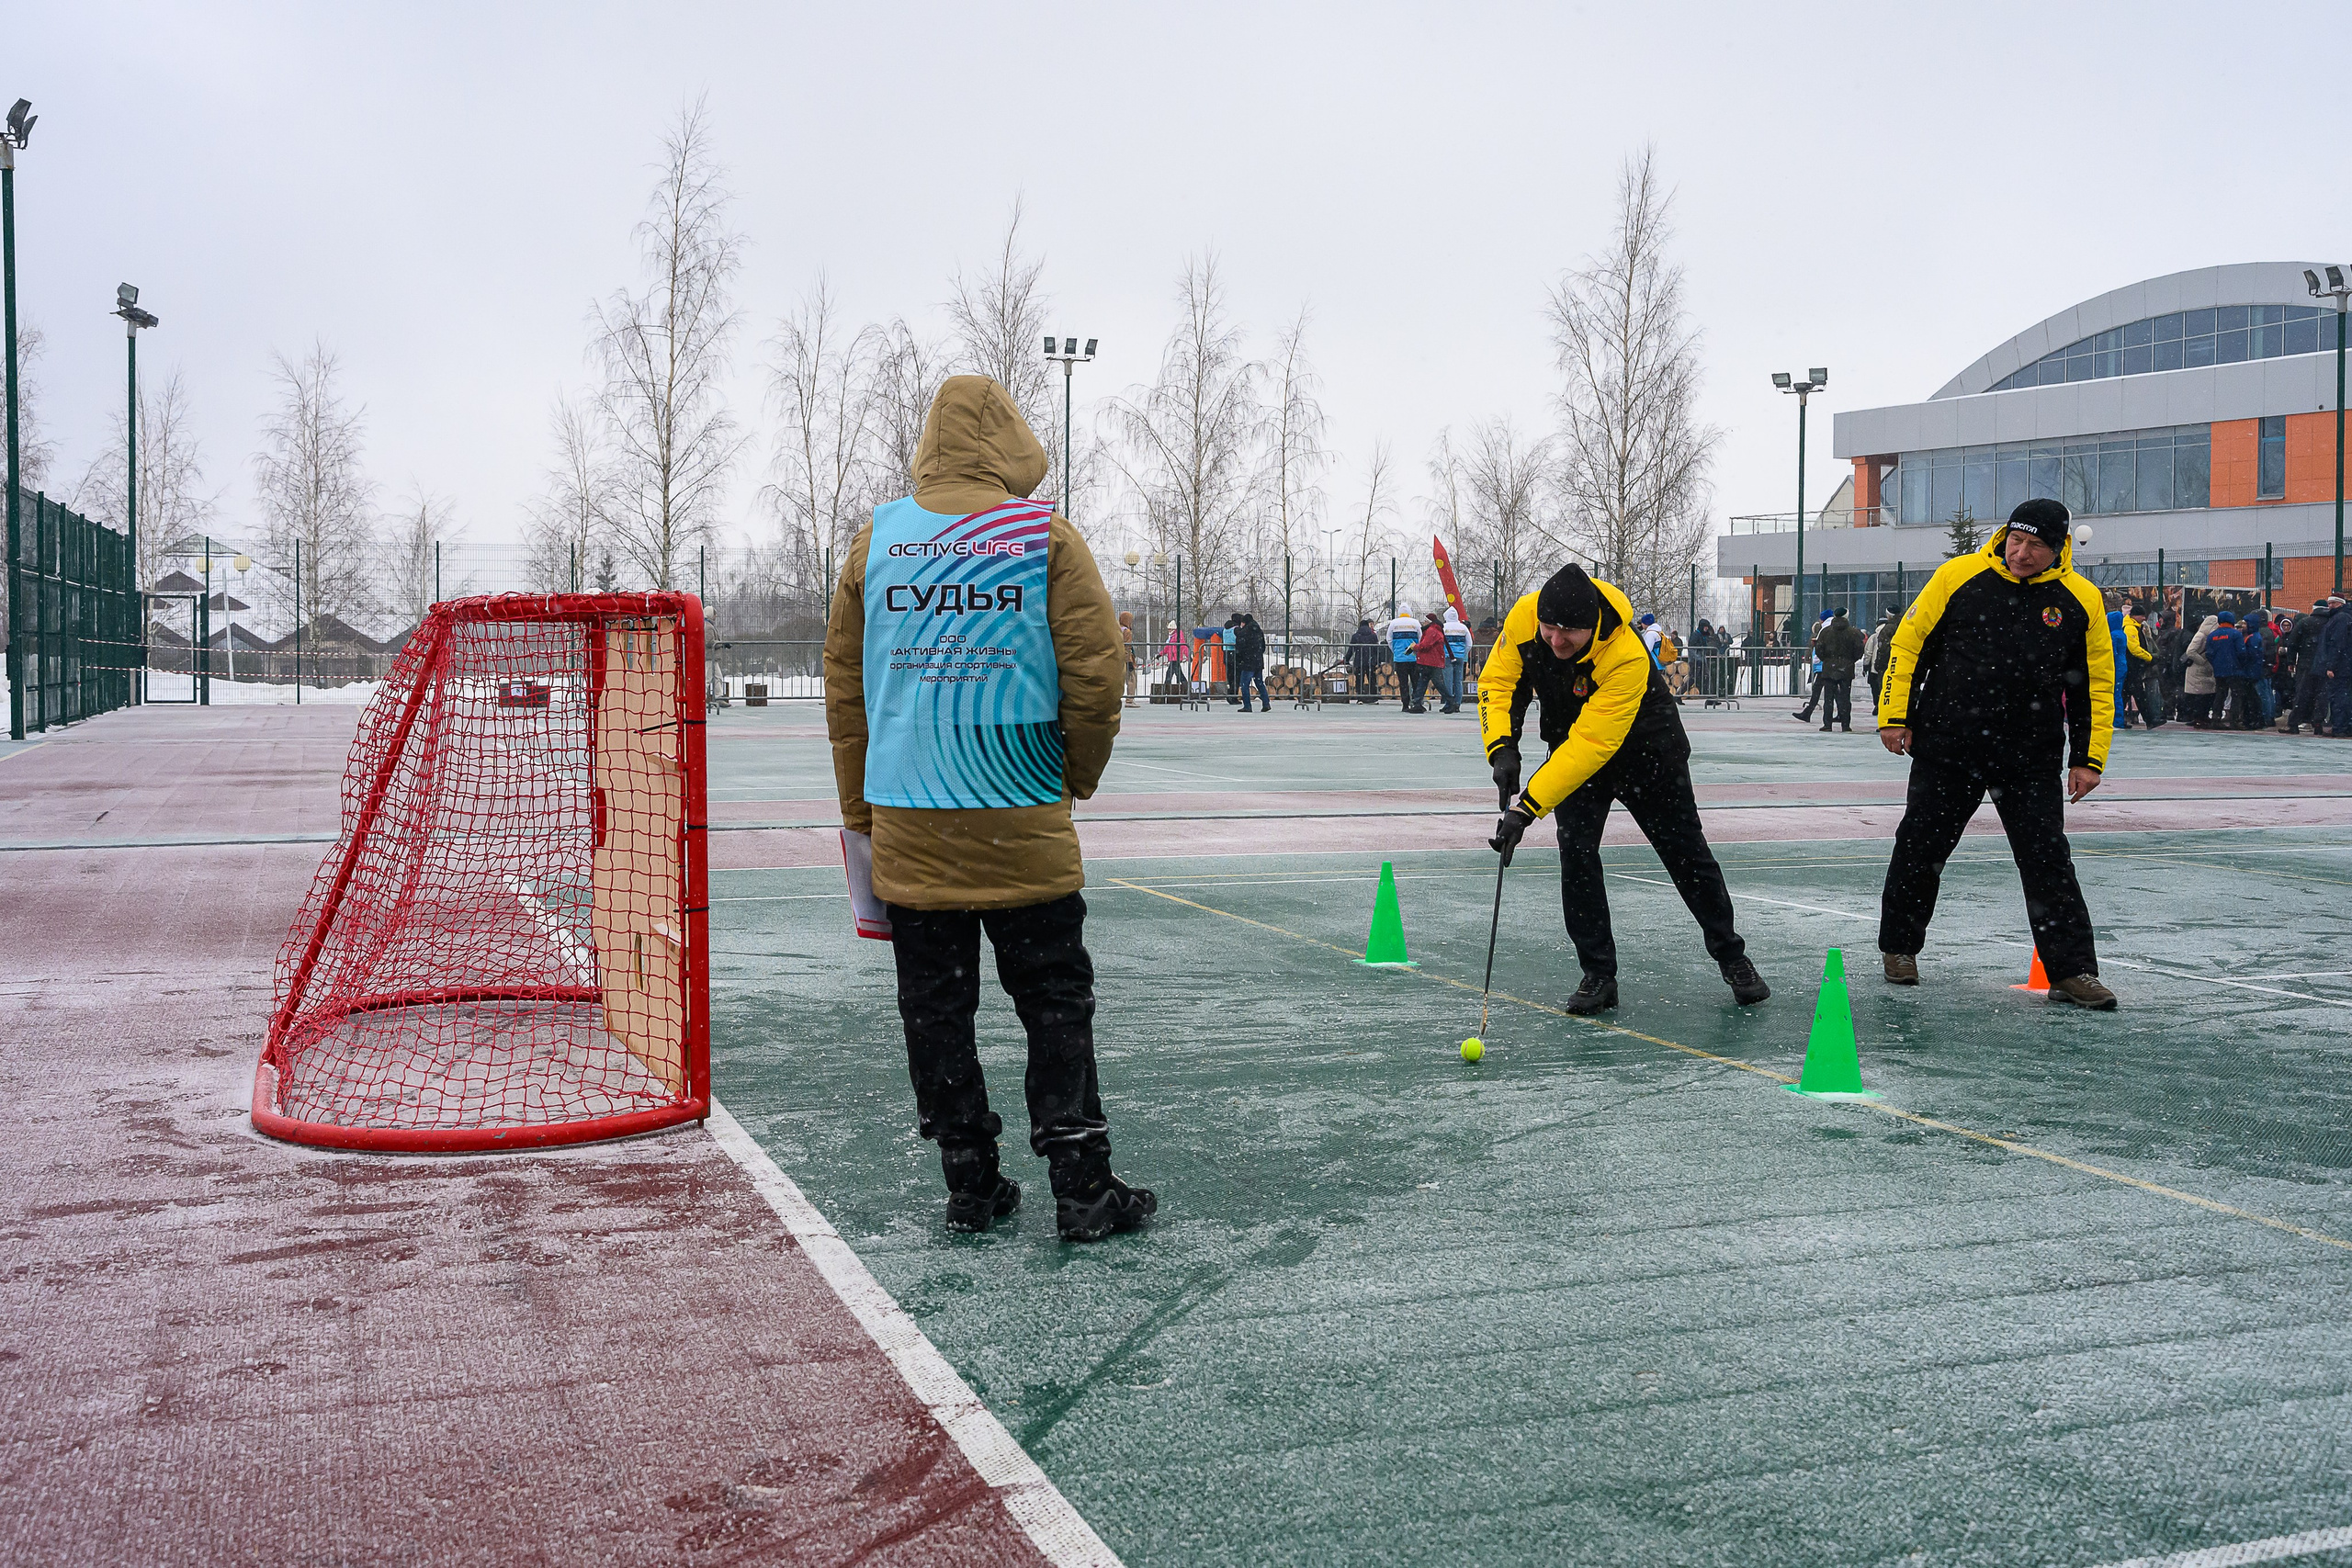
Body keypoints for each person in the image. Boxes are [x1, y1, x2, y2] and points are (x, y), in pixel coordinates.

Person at [822, 374, 1154, 1243]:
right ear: (1007, 440)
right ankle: (1081, 1184)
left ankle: (970, 1182)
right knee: (1054, 1000)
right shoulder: (1044, 538)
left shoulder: (876, 544)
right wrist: (1071, 777)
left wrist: (862, 810)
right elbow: (1096, 675)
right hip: (1020, 812)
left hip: (910, 817)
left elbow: (846, 696)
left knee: (934, 1008)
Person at [1485, 562, 1770, 1014]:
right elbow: (1499, 683)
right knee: (1576, 852)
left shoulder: (1626, 654)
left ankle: (1732, 956)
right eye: (1549, 629)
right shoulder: (1524, 619)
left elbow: (1592, 744)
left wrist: (1526, 808)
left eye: (1568, 634)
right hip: (1572, 744)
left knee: (1685, 852)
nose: (1556, 641)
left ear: (1593, 626)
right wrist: (1501, 747)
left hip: (1647, 749)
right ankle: (1598, 974)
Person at [1873, 498, 2116, 1008]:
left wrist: (2088, 758)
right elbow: (1908, 645)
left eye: (2036, 546)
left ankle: (2072, 971)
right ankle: (1899, 949)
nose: (2021, 554)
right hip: (1948, 743)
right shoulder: (1956, 577)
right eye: (2016, 540)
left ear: (2060, 549)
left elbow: (2095, 682)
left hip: (2030, 754)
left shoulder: (2081, 599)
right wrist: (1895, 716)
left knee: (2047, 859)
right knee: (1921, 846)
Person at [2285, 596, 2337, 733]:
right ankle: (2318, 724)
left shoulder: (2304, 622)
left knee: (2302, 694)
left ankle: (2294, 724)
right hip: (2324, 664)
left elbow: (2292, 643)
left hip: (2305, 663)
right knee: (2321, 695)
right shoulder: (2331, 623)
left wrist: (2290, 661)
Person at [1814, 608, 1865, 732]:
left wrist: (1827, 659)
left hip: (1829, 668)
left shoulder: (1825, 632)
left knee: (1828, 698)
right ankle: (1845, 724)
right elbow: (1859, 649)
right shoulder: (1853, 632)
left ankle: (1827, 724)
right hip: (1846, 669)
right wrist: (1851, 660)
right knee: (1845, 698)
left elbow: (1819, 648)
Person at [2120, 601, 2162, 729]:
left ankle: (2117, 718)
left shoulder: (2133, 626)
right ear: (2134, 616)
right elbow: (2134, 648)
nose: (2144, 619)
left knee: (2126, 694)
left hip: (2131, 667)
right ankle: (2150, 720)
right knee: (2139, 694)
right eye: (2142, 616)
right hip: (2133, 667)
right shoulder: (2131, 628)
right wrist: (2149, 657)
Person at [1791, 608, 1833, 723]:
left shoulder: (1825, 630)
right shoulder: (1832, 629)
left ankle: (1810, 713)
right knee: (1831, 692)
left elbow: (1821, 647)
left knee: (1818, 691)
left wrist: (1817, 658)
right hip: (1830, 666)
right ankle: (1840, 715)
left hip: (1824, 666)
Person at [2321, 594, 2352, 737]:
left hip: (2340, 665)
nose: (2330, 606)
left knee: (2339, 696)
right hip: (2344, 663)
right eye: (2329, 603)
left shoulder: (2340, 618)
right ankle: (2342, 726)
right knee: (2342, 696)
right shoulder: (2342, 617)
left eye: (2332, 603)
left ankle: (2340, 727)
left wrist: (2331, 665)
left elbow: (2337, 643)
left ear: (2340, 603)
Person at [2181, 613, 2220, 727]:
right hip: (2198, 670)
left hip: (2202, 670)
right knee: (2200, 696)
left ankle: (2202, 716)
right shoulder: (2201, 636)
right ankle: (2199, 717)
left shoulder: (2204, 635)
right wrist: (2202, 661)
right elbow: (2190, 651)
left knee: (2205, 695)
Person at [1387, 604, 1424, 711]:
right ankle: (1417, 702)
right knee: (1416, 681)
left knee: (1403, 683)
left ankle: (1405, 704)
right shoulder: (1415, 623)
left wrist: (1396, 651)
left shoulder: (1393, 623)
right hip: (1413, 658)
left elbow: (1389, 639)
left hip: (1400, 659)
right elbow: (1421, 638)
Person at [1863, 607, 1898, 718]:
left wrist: (1870, 664)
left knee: (1879, 689)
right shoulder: (1901, 627)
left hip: (1880, 666)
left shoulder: (1878, 635)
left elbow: (1870, 651)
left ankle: (1880, 708)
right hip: (1897, 664)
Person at [1232, 611, 1270, 714]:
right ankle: (1266, 703)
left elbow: (1240, 647)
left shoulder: (1244, 632)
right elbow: (1263, 647)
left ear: (1244, 623)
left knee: (1245, 684)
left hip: (1248, 663)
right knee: (1259, 683)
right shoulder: (1259, 631)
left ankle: (1247, 706)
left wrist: (1240, 659)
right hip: (1258, 662)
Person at [1442, 607, 1472, 713]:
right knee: (1458, 681)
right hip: (1459, 657)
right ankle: (1457, 703)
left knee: (1448, 681)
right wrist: (1463, 654)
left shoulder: (1444, 628)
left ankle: (1449, 703)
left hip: (1447, 657)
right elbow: (1469, 644)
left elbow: (1440, 643)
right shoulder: (1463, 628)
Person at [1348, 618, 1382, 704]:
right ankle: (1373, 698)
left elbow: (1351, 650)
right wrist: (1378, 661)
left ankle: (1360, 698)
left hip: (1360, 661)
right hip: (1371, 661)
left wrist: (1346, 659)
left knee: (1359, 679)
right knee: (1372, 679)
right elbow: (1377, 650)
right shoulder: (1373, 636)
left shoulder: (1356, 636)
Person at [1118, 610, 1139, 708]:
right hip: (1126, 659)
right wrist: (1128, 661)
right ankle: (1130, 700)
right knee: (1132, 679)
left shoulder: (1116, 630)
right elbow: (1127, 647)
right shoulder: (1127, 632)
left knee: (1118, 680)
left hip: (1116, 658)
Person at [1160, 619, 1185, 703]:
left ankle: (1165, 691)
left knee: (1170, 675)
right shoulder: (1171, 637)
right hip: (1173, 658)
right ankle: (1186, 688)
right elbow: (1167, 648)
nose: (1169, 631)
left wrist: (1188, 654)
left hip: (1175, 658)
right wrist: (1160, 654)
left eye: (1170, 629)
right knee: (1179, 675)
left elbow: (1183, 646)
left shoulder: (1178, 636)